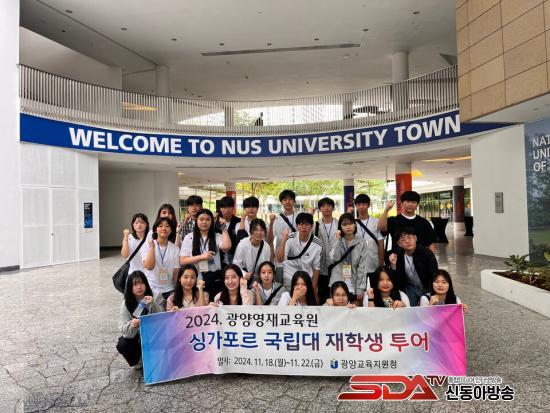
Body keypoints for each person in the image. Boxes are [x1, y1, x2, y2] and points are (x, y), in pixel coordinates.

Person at [179, 209, 231, 299]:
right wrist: (201, 257)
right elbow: (182, 261)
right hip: (195, 278)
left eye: (207, 219)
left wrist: (224, 228)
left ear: (212, 221)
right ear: (196, 220)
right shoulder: (189, 237)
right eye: (201, 219)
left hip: (214, 278)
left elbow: (227, 247)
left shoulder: (217, 236)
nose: (204, 222)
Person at [116, 271, 163, 368]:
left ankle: (157, 359)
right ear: (130, 287)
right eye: (135, 284)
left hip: (156, 333)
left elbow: (164, 316)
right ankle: (137, 360)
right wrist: (132, 325)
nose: (139, 287)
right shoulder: (126, 303)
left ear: (146, 284)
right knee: (122, 344)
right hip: (137, 336)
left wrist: (153, 304)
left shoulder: (156, 295)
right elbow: (124, 330)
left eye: (141, 283)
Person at [276, 212, 323, 302]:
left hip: (307, 278)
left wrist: (313, 289)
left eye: (307, 224)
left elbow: (316, 268)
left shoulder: (318, 244)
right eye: (301, 224)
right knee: (288, 298)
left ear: (312, 226)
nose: (304, 227)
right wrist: (284, 241)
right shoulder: (290, 238)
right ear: (297, 226)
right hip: (290, 276)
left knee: (309, 302)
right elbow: (280, 259)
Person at [387, 227, 438, 306]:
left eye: (409, 237)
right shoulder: (398, 256)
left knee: (425, 306)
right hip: (410, 288)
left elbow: (434, 275)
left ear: (415, 238)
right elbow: (397, 280)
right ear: (399, 244)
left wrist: (432, 292)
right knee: (408, 308)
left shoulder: (426, 254)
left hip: (427, 287)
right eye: (403, 239)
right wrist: (393, 265)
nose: (407, 241)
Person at [328, 213, 369, 305]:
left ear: (355, 225)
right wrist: (338, 241)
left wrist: (360, 288)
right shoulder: (336, 239)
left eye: (350, 223)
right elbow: (334, 258)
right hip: (337, 282)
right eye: (344, 224)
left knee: (355, 310)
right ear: (340, 227)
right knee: (337, 311)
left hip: (354, 284)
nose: (348, 227)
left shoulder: (362, 243)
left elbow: (363, 267)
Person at [142, 216, 180, 299]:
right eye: (160, 226)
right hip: (151, 288)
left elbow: (176, 271)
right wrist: (152, 247)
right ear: (155, 230)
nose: (164, 228)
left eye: (167, 226)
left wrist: (176, 290)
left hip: (169, 289)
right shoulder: (148, 245)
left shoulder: (175, 249)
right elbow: (149, 266)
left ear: (171, 230)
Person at [268, 189, 298, 282]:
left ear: (294, 201)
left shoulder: (300, 217)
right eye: (285, 199)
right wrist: (271, 223)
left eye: (290, 199)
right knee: (280, 285)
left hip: (297, 259)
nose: (288, 202)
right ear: (281, 202)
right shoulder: (277, 218)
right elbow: (270, 240)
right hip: (281, 260)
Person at [353, 194, 384, 285]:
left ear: (369, 205)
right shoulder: (353, 224)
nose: (361, 207)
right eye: (358, 204)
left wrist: (381, 265)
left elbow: (381, 244)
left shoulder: (376, 222)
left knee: (376, 289)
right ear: (356, 206)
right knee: (359, 291)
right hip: (357, 265)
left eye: (364, 204)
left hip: (374, 263)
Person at [233, 218, 273, 286]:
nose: (259, 233)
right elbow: (236, 264)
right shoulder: (242, 244)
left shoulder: (266, 247)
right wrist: (244, 274)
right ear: (251, 231)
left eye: (261, 230)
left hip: (259, 281)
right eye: (256, 230)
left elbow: (266, 266)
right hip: (244, 280)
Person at [314, 197, 338, 304]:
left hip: (336, 266)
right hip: (321, 267)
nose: (326, 208)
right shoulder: (316, 225)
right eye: (323, 206)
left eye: (329, 205)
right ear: (320, 209)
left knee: (336, 294)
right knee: (323, 296)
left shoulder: (339, 223)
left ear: (333, 208)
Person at [217, 196, 241, 266]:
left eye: (229, 207)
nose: (227, 210)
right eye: (224, 207)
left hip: (235, 256)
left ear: (233, 208)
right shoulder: (216, 222)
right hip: (219, 257)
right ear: (220, 208)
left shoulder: (239, 222)